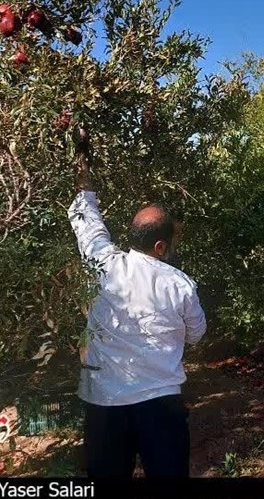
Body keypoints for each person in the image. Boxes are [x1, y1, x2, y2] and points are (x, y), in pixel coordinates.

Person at [67, 147, 206, 479]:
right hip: (161, 407)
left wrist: (81, 163)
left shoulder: (104, 265)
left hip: (104, 406)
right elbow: (197, 334)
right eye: (174, 238)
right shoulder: (181, 285)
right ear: (160, 247)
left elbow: (87, 223)